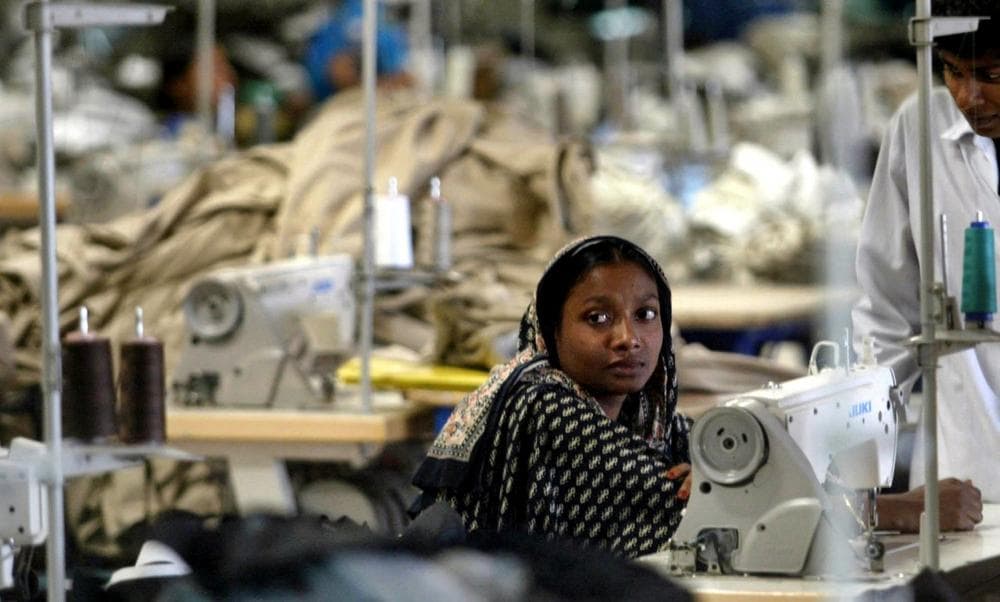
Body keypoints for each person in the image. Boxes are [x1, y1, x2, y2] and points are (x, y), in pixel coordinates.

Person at [410, 235, 692, 558]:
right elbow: (667, 503)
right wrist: (718, 485)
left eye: (645, 314)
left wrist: (716, 471)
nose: (628, 338)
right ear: (551, 331)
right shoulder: (541, 407)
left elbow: (719, 457)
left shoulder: (645, 415)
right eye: (597, 318)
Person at [851, 0, 995, 520]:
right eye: (952, 72)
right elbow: (887, 315)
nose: (967, 96)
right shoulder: (920, 129)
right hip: (967, 472)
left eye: (990, 75)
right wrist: (856, 465)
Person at [303, 0, 411, 102]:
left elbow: (403, 76)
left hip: (381, 96)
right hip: (336, 98)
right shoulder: (331, 25)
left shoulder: (378, 16)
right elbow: (337, 72)